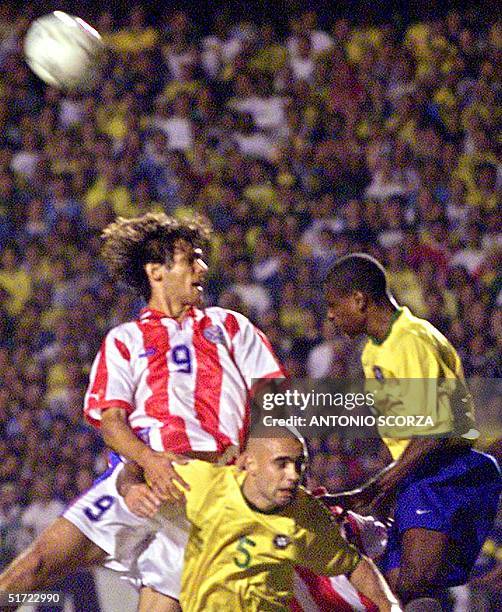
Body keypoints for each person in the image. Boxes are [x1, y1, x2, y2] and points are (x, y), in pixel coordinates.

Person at [0, 212, 284, 612]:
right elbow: (111, 422)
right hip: (143, 476)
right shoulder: (124, 339)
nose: (202, 268)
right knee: (34, 567)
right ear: (156, 272)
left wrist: (256, 463)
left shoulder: (230, 326)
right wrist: (144, 466)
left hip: (209, 491)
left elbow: (271, 395)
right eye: (191, 259)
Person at [323, 253, 501, 609]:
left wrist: (376, 487)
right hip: (417, 477)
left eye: (333, 304)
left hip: (445, 472)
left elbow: (434, 432)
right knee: (405, 596)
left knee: (402, 584)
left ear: (359, 300)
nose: (330, 314)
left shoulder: (411, 340)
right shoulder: (372, 353)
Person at [121, 427, 401, 611]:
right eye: (281, 463)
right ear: (248, 464)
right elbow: (135, 466)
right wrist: (131, 488)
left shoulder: (305, 514)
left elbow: (352, 564)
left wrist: (391, 607)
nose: (293, 475)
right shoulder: (202, 484)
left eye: (299, 464)